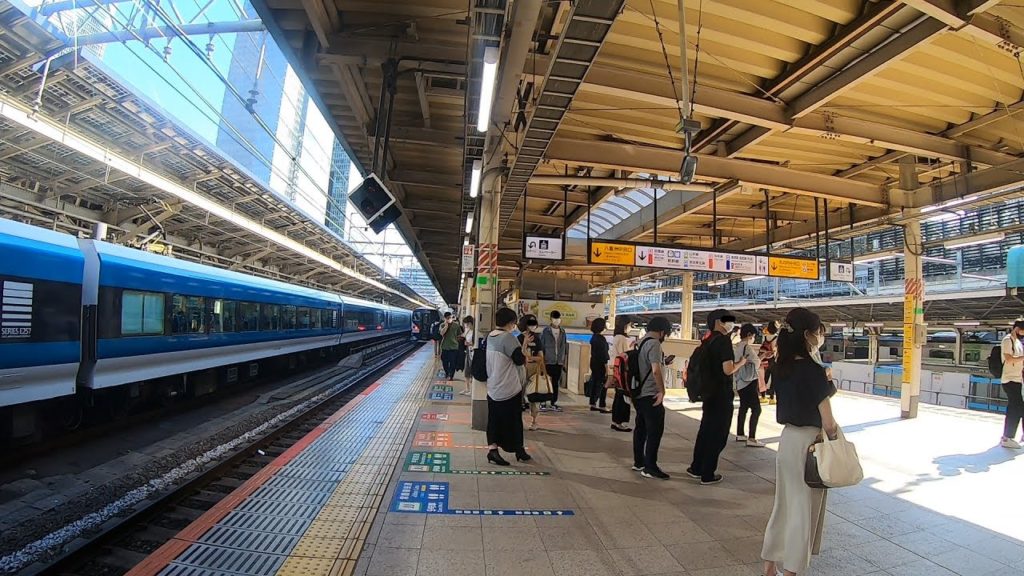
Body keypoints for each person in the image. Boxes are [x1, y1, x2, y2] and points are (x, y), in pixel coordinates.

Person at [761, 307, 838, 576]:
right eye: (818, 333)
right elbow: (828, 422)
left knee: (783, 503)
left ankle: (769, 564)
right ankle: (791, 571)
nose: (819, 337)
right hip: (809, 445)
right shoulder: (814, 371)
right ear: (808, 335)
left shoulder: (780, 366)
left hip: (787, 441)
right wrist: (838, 442)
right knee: (803, 510)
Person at [687, 309, 747, 485]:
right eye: (728, 320)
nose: (731, 323)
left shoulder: (707, 340)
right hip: (721, 394)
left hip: (708, 393)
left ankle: (696, 467)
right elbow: (728, 369)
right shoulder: (723, 341)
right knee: (718, 434)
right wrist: (741, 363)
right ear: (719, 322)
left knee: (705, 431)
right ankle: (708, 473)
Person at [485, 307, 532, 465]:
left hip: (493, 386)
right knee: (514, 421)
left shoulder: (490, 336)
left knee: (494, 420)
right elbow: (519, 360)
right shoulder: (508, 338)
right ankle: (519, 449)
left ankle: (493, 450)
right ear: (511, 323)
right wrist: (524, 351)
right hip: (509, 388)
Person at [631, 316, 672, 479]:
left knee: (640, 428)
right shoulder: (654, 344)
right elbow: (655, 370)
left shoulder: (640, 342)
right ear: (662, 331)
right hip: (650, 394)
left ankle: (638, 462)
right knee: (655, 431)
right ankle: (650, 467)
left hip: (638, 392)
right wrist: (662, 391)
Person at [734, 324, 765, 448]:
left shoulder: (737, 346)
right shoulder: (747, 347)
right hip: (749, 381)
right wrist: (760, 358)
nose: (753, 338)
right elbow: (756, 363)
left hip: (740, 381)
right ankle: (752, 438)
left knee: (744, 407)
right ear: (748, 335)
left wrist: (760, 357)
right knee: (757, 409)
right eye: (752, 336)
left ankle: (740, 433)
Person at [519, 314, 551, 430]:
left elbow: (541, 357)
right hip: (520, 370)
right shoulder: (518, 338)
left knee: (534, 395)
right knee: (519, 395)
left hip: (534, 370)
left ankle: (534, 420)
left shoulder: (537, 339)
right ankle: (519, 419)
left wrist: (529, 357)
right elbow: (518, 356)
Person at [1000, 320, 1024, 449]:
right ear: (1017, 329)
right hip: (1009, 379)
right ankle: (1007, 437)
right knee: (1016, 408)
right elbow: (1009, 359)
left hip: (1017, 379)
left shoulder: (1018, 342)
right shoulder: (1007, 340)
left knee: (1015, 408)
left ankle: (1007, 436)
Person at [540, 310, 568, 412]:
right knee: (545, 382)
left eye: (558, 318)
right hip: (547, 361)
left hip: (558, 362)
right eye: (555, 318)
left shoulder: (563, 331)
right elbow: (541, 347)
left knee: (556, 383)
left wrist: (563, 361)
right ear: (551, 319)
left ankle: (553, 402)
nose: (557, 320)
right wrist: (542, 360)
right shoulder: (545, 331)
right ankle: (543, 402)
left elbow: (564, 347)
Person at [610, 318, 633, 432]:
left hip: (616, 369)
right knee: (624, 396)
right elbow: (626, 355)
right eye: (629, 325)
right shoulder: (623, 338)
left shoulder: (616, 337)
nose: (630, 327)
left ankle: (615, 421)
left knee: (618, 396)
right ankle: (620, 422)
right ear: (625, 326)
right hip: (623, 371)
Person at [588, 317, 612, 412]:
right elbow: (604, 355)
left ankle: (593, 403)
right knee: (603, 384)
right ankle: (602, 405)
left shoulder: (594, 337)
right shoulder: (601, 339)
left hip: (594, 362)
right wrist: (606, 368)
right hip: (600, 364)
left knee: (595, 383)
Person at [760, 321, 779, 404]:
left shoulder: (766, 337)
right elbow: (775, 350)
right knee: (774, 379)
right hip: (773, 360)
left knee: (765, 378)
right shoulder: (776, 337)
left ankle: (763, 396)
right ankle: (772, 398)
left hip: (765, 359)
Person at [439, 312, 461, 380]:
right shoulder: (442, 325)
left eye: (450, 318)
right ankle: (447, 372)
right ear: (445, 318)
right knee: (444, 361)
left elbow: (459, 335)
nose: (449, 319)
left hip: (454, 347)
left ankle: (451, 375)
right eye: (447, 318)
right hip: (445, 346)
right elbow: (442, 333)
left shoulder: (456, 325)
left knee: (452, 362)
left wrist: (457, 340)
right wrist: (446, 326)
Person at [460, 316, 475, 396]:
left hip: (473, 352)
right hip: (468, 351)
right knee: (467, 371)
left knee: (472, 371)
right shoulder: (468, 330)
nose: (465, 325)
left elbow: (475, 343)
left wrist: (468, 343)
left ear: (470, 323)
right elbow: (464, 336)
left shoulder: (475, 332)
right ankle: (467, 388)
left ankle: (472, 390)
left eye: (466, 324)